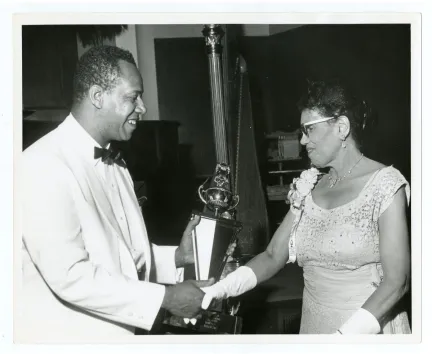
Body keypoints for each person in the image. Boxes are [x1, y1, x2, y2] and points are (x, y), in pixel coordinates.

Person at [18, 45, 213, 342]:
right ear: (98, 96)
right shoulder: (42, 165)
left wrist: (177, 256)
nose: (143, 107)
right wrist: (166, 297)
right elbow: (70, 276)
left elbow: (122, 258)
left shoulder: (117, 164)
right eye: (133, 97)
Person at [200, 79, 411, 334]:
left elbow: (397, 281)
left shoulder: (385, 184)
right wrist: (221, 288)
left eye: (308, 130)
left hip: (364, 331)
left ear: (341, 127)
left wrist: (343, 339)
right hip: (314, 326)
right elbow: (272, 256)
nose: (301, 141)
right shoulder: (309, 186)